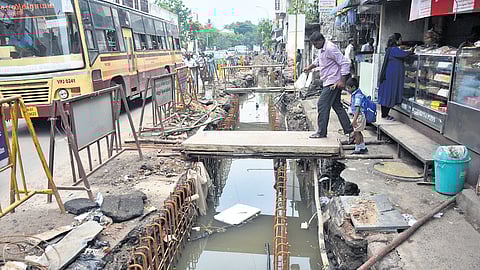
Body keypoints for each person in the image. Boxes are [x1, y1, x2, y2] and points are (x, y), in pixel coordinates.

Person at [304, 32, 354, 140]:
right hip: (328, 81)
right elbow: (319, 61)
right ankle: (350, 131)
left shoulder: (330, 48)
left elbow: (344, 63)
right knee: (337, 106)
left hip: (333, 82)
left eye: (315, 44)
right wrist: (309, 67)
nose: (314, 46)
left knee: (322, 104)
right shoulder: (322, 49)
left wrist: (342, 81)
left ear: (321, 40)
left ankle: (321, 132)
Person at [378, 33, 414, 120]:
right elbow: (404, 54)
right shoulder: (393, 50)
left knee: (387, 95)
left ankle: (384, 114)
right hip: (391, 78)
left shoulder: (391, 49)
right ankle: (385, 115)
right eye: (400, 39)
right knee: (389, 94)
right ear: (397, 40)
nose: (401, 41)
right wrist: (411, 50)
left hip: (390, 77)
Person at [346, 77, 368, 154]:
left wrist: (354, 120)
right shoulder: (355, 93)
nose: (347, 89)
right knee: (359, 132)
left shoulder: (358, 96)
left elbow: (357, 109)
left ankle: (357, 148)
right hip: (359, 115)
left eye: (348, 88)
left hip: (359, 116)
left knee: (356, 133)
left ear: (354, 87)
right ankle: (363, 147)